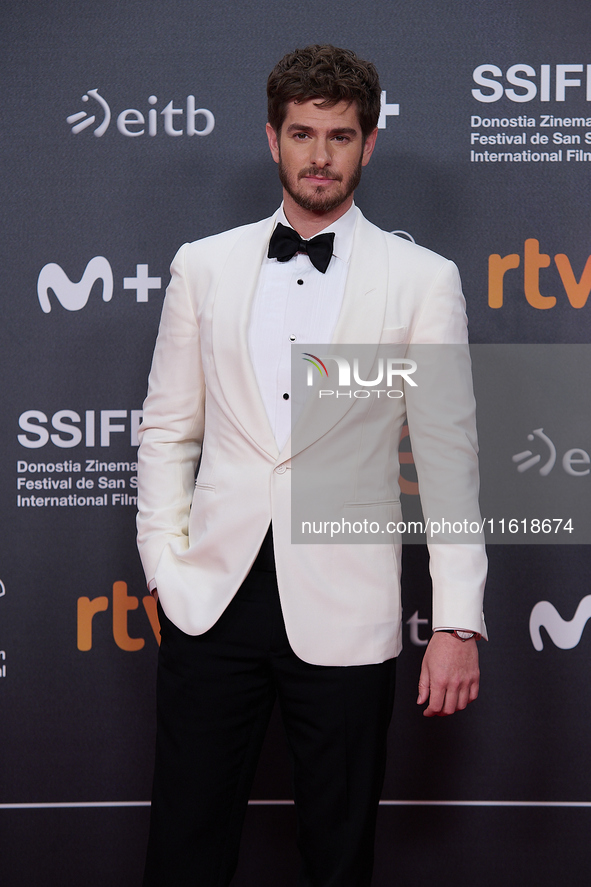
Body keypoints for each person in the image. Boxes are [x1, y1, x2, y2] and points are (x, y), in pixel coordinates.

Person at [137, 44, 487, 887]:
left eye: (338, 135)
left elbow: (448, 460)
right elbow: (168, 431)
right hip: (210, 599)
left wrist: (455, 621)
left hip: (346, 603)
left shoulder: (422, 281)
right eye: (302, 133)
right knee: (184, 844)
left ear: (367, 145)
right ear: (272, 140)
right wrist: (163, 568)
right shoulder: (203, 265)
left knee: (337, 851)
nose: (319, 154)